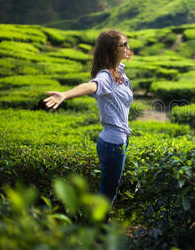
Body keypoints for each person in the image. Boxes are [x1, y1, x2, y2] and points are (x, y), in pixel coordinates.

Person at [43, 30, 133, 221]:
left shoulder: (120, 72)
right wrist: (65, 94)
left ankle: (97, 227)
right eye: (123, 44)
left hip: (119, 140)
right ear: (111, 50)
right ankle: (98, 232)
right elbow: (91, 86)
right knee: (108, 192)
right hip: (113, 142)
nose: (128, 47)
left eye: (127, 43)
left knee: (109, 189)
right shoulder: (106, 77)